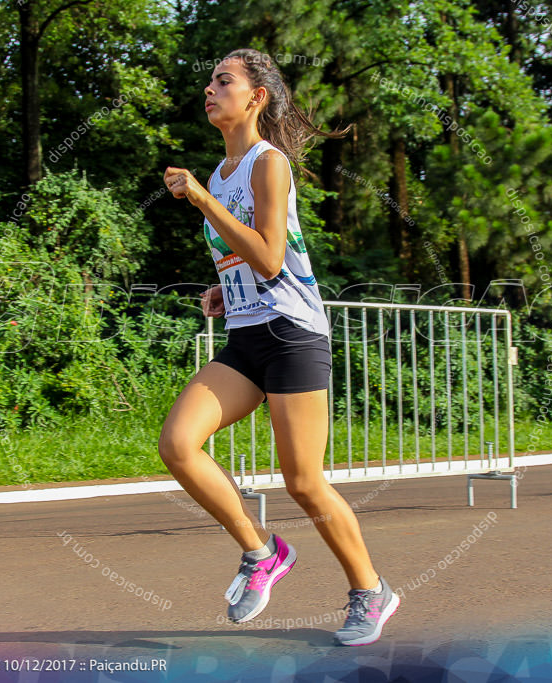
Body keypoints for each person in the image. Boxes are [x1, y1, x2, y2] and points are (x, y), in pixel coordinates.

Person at [160, 48, 398, 646]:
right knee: (179, 445)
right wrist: (223, 289)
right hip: (245, 335)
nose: (209, 89)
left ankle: (371, 592)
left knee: (303, 481)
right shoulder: (219, 173)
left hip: (293, 334)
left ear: (256, 97)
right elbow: (248, 260)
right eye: (209, 80)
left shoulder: (268, 164)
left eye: (223, 81)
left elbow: (270, 257)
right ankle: (262, 552)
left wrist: (201, 201)